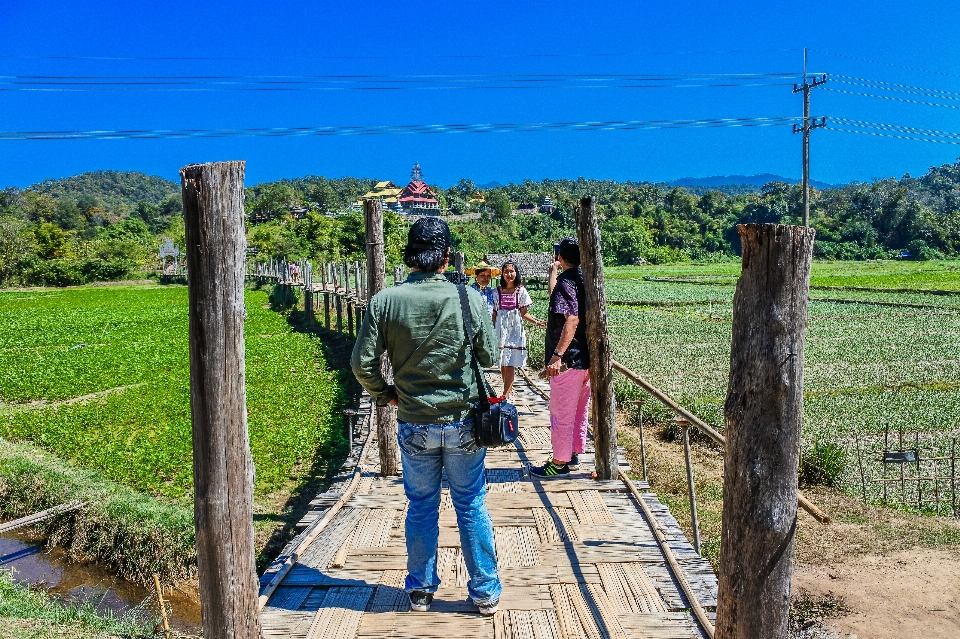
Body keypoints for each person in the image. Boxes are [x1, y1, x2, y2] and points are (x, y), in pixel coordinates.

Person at [351, 218, 502, 616]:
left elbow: (362, 364)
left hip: (413, 421)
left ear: (409, 254)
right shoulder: (467, 297)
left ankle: (420, 590)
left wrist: (386, 395)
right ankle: (484, 591)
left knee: (421, 506)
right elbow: (490, 357)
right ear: (446, 256)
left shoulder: (385, 300)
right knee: (470, 504)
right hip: (465, 421)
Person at [530, 238, 591, 478]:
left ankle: (559, 462)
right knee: (577, 409)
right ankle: (572, 453)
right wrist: (554, 271)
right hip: (583, 359)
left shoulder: (567, 281)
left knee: (561, 411)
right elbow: (557, 294)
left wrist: (557, 355)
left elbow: (572, 318)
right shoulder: (583, 279)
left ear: (560, 258)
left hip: (568, 360)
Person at [492, 261, 545, 398]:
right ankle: (507, 392)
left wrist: (537, 321)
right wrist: (490, 332)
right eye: (506, 272)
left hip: (514, 331)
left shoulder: (521, 291)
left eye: (511, 271)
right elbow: (494, 313)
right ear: (502, 274)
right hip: (500, 330)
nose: (509, 274)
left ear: (516, 273)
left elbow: (523, 313)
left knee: (509, 363)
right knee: (504, 362)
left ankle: (506, 394)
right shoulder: (497, 292)